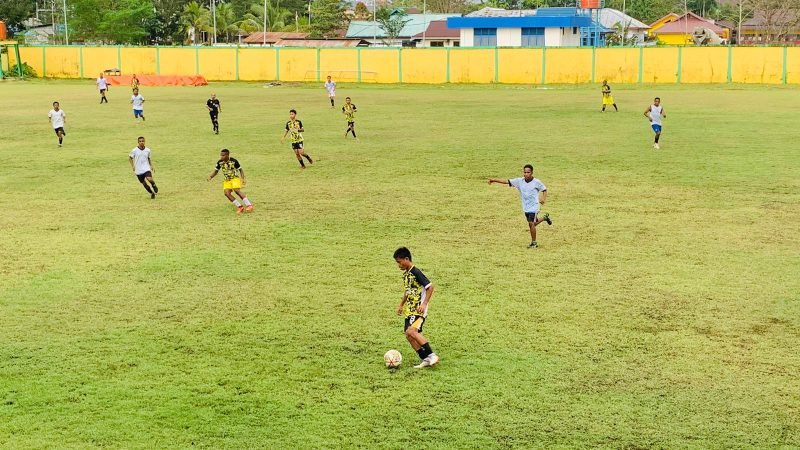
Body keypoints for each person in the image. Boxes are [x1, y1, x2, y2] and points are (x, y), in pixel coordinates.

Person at [393, 247, 439, 369]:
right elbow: (407, 292)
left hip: (418, 308)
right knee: (408, 335)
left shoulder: (416, 272)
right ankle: (426, 359)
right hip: (410, 310)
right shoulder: (406, 275)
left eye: (399, 261)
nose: (398, 265)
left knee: (411, 331)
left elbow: (430, 287)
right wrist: (401, 305)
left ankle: (432, 355)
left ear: (407, 259)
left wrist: (424, 304)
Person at [488, 164, 552, 249]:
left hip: (534, 206)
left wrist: (543, 199)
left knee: (531, 223)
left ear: (532, 172)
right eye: (525, 172)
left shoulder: (536, 182)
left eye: (528, 172)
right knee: (533, 223)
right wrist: (494, 180)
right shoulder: (519, 181)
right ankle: (544, 218)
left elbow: (544, 189)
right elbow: (506, 181)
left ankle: (534, 243)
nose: (526, 174)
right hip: (526, 206)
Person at [207, 149, 254, 214]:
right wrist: (210, 177)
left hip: (234, 178)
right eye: (221, 155)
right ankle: (240, 207)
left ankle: (249, 205)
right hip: (227, 180)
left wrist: (243, 178)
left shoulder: (234, 161)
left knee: (236, 190)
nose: (221, 157)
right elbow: (216, 171)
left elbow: (240, 170)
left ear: (227, 155)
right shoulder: (220, 162)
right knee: (227, 193)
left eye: (223, 155)